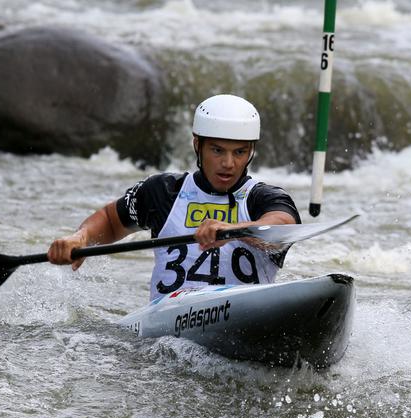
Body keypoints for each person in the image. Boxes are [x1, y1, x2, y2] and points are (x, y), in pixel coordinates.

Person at [48, 94, 301, 300]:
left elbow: (282, 228)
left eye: (239, 152)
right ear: (197, 145)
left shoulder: (263, 197)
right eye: (217, 150)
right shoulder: (164, 191)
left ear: (251, 152)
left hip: (245, 311)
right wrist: (80, 238)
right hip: (169, 320)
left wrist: (234, 230)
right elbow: (111, 220)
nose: (228, 163)